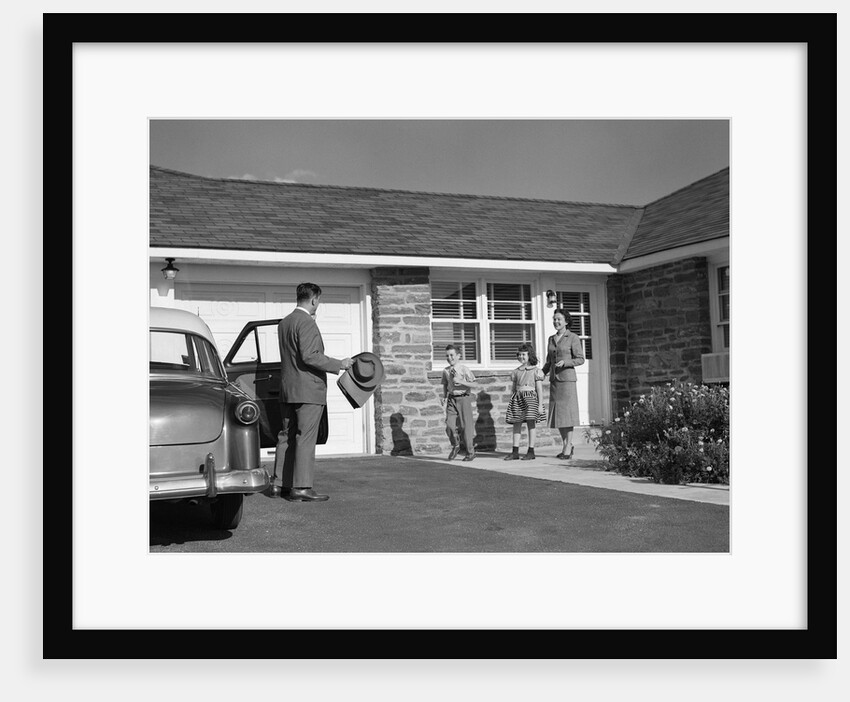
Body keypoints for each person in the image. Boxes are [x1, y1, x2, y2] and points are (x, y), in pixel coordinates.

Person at [272, 282, 353, 501]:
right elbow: (310, 356)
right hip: (308, 390)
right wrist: (341, 363)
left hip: (288, 388)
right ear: (314, 299)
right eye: (319, 300)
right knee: (305, 438)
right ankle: (302, 487)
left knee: (286, 437)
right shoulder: (306, 322)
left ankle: (279, 484)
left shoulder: (285, 322)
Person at [541, 307, 585, 460]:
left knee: (567, 414)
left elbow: (580, 359)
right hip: (555, 381)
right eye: (554, 319)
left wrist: (566, 362)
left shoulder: (573, 337)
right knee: (558, 416)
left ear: (566, 321)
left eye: (559, 319)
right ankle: (566, 444)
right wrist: (541, 372)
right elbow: (549, 361)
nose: (556, 322)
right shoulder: (551, 339)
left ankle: (568, 446)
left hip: (567, 381)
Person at [503, 343, 546, 461]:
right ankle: (515, 451)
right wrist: (512, 399)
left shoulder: (536, 371)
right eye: (519, 354)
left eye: (524, 354)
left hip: (530, 398)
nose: (521, 357)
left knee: (531, 424)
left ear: (529, 355)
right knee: (516, 423)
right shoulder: (516, 371)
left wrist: (540, 405)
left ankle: (531, 451)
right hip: (518, 398)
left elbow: (539, 389)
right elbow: (513, 388)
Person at [439, 344, 477, 462]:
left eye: (452, 355)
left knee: (466, 427)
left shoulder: (464, 369)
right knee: (449, 424)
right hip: (452, 399)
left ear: (458, 356)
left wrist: (460, 381)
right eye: (447, 356)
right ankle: (455, 444)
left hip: (463, 398)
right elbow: (445, 384)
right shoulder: (446, 370)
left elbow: (474, 384)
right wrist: (445, 396)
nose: (449, 358)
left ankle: (470, 452)